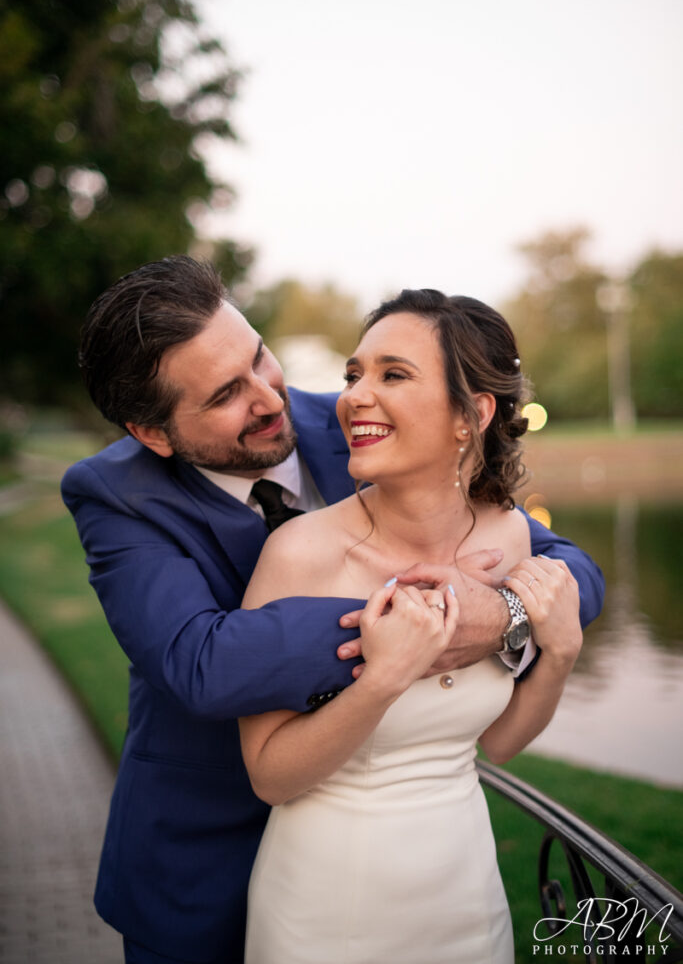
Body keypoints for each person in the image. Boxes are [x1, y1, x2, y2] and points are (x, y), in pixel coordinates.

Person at [61, 257, 604, 964]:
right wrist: (417, 617)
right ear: (154, 433)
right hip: (206, 858)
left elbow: (570, 570)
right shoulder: (116, 495)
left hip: (435, 876)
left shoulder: (358, 427)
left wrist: (505, 611)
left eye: (260, 358)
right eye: (227, 393)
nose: (268, 398)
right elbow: (198, 662)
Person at [238, 289, 586, 963]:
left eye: (391, 374)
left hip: (463, 891)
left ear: (471, 414)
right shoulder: (299, 554)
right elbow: (269, 778)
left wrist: (562, 649)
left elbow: (499, 743)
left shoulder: (510, 534)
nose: (354, 396)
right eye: (352, 375)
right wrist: (384, 679)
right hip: (330, 907)